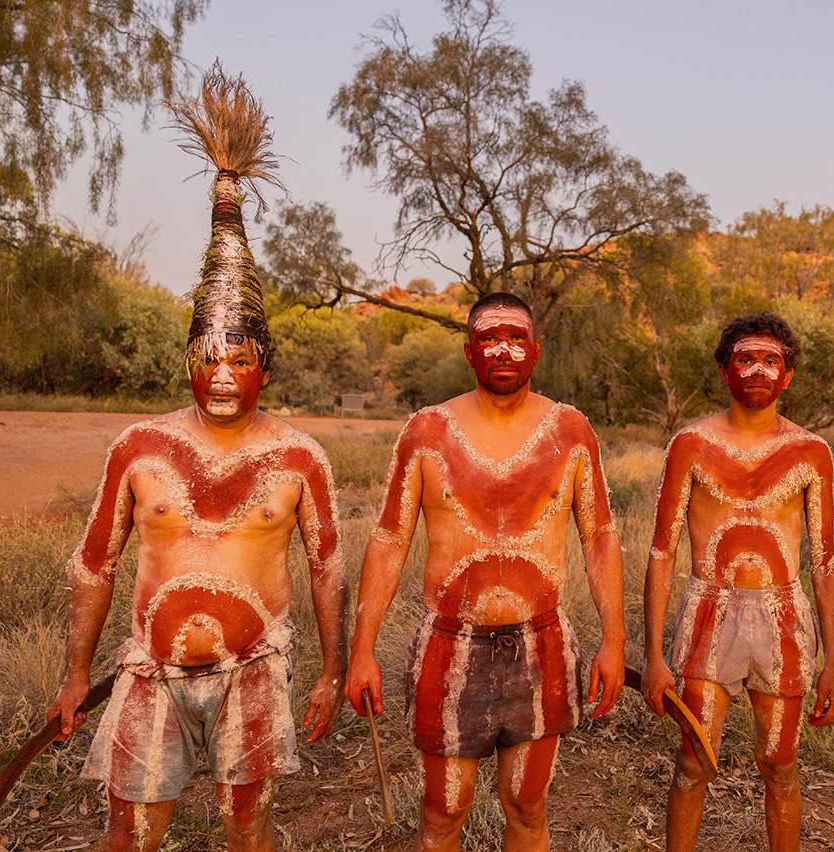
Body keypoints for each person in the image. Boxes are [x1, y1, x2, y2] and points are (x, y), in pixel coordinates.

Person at [47, 68, 348, 852]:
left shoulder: (298, 455)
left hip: (256, 672)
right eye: (207, 356)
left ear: (265, 369)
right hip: (150, 672)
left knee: (249, 825)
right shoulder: (139, 447)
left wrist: (330, 671)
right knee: (131, 827)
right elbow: (93, 566)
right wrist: (78, 676)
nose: (222, 373)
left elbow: (327, 568)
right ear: (186, 363)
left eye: (239, 359)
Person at [345, 292, 625, 852]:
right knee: (443, 811)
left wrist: (613, 641)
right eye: (490, 339)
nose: (504, 349)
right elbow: (389, 539)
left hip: (540, 642)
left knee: (527, 804)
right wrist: (362, 649)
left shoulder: (570, 431)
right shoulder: (427, 430)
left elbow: (599, 537)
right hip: (451, 646)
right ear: (470, 352)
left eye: (516, 338)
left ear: (535, 352)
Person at [642, 312, 834, 852]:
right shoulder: (691, 444)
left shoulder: (810, 452)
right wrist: (655, 656)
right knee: (692, 763)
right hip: (709, 610)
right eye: (746, 358)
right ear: (726, 371)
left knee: (780, 766)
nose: (758, 369)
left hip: (783, 618)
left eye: (771, 361)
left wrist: (833, 662)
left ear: (787, 376)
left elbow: (825, 561)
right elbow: (662, 552)